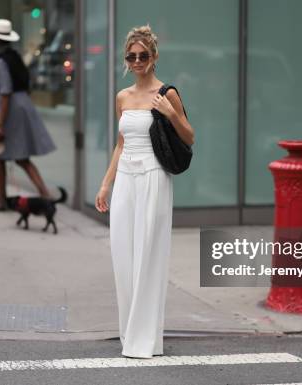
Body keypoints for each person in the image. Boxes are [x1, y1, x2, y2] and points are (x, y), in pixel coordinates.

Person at [95, 25, 195, 358]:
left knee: (149, 257)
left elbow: (189, 137)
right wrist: (106, 183)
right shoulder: (122, 96)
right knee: (123, 255)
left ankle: (146, 340)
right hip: (125, 178)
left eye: (143, 55)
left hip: (154, 177)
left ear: (153, 57)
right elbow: (120, 144)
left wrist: (169, 113)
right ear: (126, 59)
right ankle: (131, 335)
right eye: (131, 56)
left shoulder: (166, 94)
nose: (137, 61)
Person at [0, 19, 57, 211]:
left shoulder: (0, 63)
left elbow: (5, 92)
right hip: (22, 106)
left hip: (10, 109)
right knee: (21, 157)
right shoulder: (15, 57)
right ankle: (45, 193)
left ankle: (2, 199)